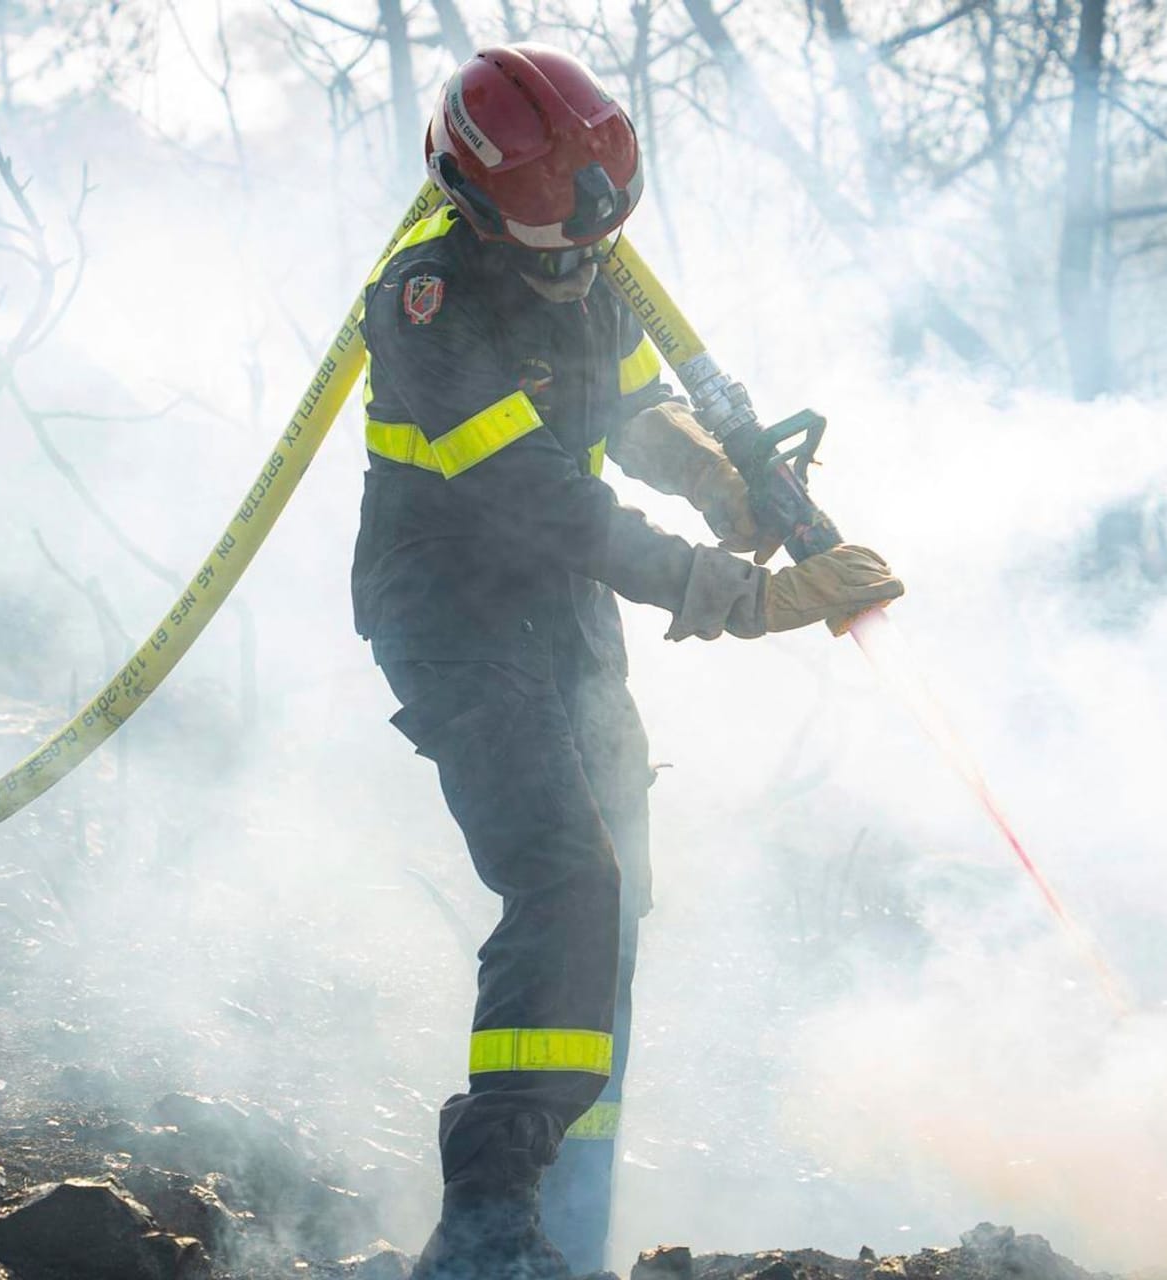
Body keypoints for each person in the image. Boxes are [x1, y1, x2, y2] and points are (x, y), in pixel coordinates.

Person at [353, 43, 905, 1280]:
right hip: (452, 606)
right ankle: (486, 1225)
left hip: (562, 609)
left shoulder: (587, 259)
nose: (583, 261)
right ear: (477, 204)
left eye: (595, 237)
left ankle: (569, 1220)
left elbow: (628, 410)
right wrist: (742, 595)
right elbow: (539, 497)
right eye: (555, 240)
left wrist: (717, 475)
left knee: (618, 905)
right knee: (563, 878)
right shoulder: (424, 302)